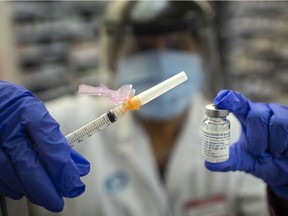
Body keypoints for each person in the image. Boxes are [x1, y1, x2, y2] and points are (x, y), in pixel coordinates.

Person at [0, 1, 286, 216]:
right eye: (143, 47)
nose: (161, 60)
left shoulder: (238, 138)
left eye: (176, 45)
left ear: (201, 56)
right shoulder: (59, 123)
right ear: (115, 58)